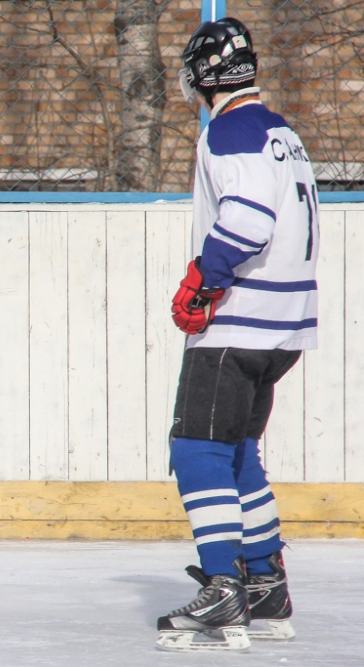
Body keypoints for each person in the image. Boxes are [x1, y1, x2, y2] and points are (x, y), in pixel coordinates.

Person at [159, 17, 317, 651]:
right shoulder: (283, 132)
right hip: (284, 326)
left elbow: (249, 221)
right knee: (236, 450)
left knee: (196, 448)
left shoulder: (229, 130)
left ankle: (224, 585)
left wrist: (205, 279)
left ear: (204, 74)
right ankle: (265, 584)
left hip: (240, 319)